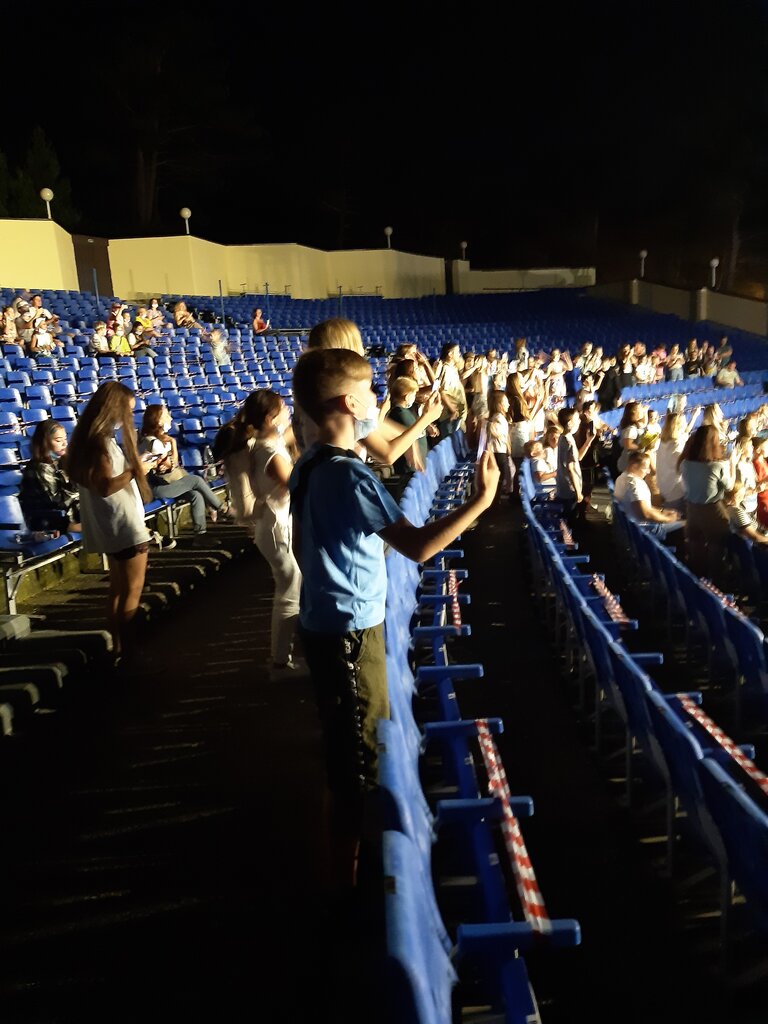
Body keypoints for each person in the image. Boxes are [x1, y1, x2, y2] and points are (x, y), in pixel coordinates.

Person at [289, 346, 499, 885]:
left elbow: (317, 543)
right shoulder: (350, 477)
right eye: (369, 393)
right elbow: (420, 546)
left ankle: (345, 869)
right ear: (347, 402)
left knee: (345, 752)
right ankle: (347, 887)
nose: (376, 402)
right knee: (358, 764)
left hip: (325, 623)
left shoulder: (310, 463)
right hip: (348, 634)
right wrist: (481, 500)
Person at [64, 382, 154, 663]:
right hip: (123, 524)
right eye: (128, 410)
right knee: (132, 592)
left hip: (113, 525)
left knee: (117, 590)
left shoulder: (89, 441)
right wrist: (138, 470)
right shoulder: (100, 444)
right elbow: (105, 487)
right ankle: (131, 655)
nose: (130, 416)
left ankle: (118, 649)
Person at [214, 390, 301, 676]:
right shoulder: (268, 451)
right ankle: (281, 660)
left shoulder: (267, 443)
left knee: (289, 588)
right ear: (270, 418)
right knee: (289, 590)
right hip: (276, 527)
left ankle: (282, 656)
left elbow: (287, 436)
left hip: (274, 525)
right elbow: (296, 483)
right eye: (283, 408)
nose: (288, 411)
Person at [138, 404, 232, 547]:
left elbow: (171, 465)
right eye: (166, 415)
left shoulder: (152, 439)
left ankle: (200, 535)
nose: (170, 418)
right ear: (158, 421)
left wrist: (173, 444)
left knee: (196, 495)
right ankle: (222, 508)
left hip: (166, 485)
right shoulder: (154, 443)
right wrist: (173, 447)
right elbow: (171, 466)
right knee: (196, 480)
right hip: (157, 488)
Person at [679, 424, 732, 576]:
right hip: (712, 511)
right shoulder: (718, 466)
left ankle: (699, 578)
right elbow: (729, 486)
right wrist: (732, 464)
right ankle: (715, 578)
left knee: (696, 547)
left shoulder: (685, 463)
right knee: (716, 546)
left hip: (692, 510)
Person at [19, 420, 81, 533]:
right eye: (58, 440)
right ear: (45, 442)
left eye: (65, 439)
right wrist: (78, 484)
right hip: (50, 520)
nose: (65, 444)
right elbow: (57, 502)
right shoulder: (40, 468)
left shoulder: (60, 461)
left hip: (68, 514)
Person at [614, 451, 683, 537]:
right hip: (645, 531)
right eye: (646, 468)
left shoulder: (621, 478)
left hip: (633, 527)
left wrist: (662, 511)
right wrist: (669, 519)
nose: (648, 471)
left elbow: (643, 507)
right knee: (687, 525)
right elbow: (645, 514)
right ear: (634, 466)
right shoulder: (634, 484)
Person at [386, 376, 426, 475]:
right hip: (409, 468)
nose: (415, 397)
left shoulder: (405, 411)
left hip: (415, 467)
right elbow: (410, 436)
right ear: (407, 396)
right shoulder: (399, 413)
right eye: (414, 394)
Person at [486, 390, 513, 496]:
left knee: (499, 480)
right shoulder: (498, 418)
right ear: (499, 404)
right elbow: (495, 431)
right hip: (498, 452)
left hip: (500, 451)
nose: (508, 404)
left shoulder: (500, 417)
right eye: (506, 402)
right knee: (498, 480)